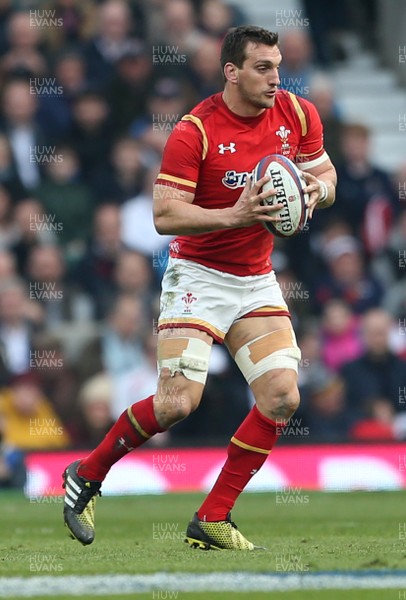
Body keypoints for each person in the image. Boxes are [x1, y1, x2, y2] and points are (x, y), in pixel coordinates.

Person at [62, 25, 336, 550]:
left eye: (277, 66)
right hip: (198, 277)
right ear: (231, 71)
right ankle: (87, 473)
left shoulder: (298, 114)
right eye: (262, 68)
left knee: (281, 397)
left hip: (255, 278)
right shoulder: (196, 130)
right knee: (177, 403)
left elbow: (327, 176)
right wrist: (233, 215)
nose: (275, 78)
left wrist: (314, 188)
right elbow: (164, 214)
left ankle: (213, 516)